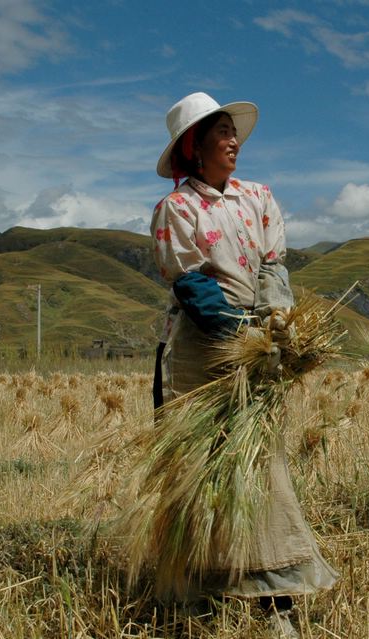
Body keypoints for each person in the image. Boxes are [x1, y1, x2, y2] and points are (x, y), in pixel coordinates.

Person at [150, 92, 338, 636]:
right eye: (222, 133)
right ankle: (193, 593)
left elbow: (273, 267)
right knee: (196, 468)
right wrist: (242, 335)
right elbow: (193, 286)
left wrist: (279, 331)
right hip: (198, 354)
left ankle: (275, 598)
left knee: (260, 464)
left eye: (234, 132)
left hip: (257, 350)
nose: (234, 141)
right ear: (195, 147)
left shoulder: (258, 197)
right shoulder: (177, 210)